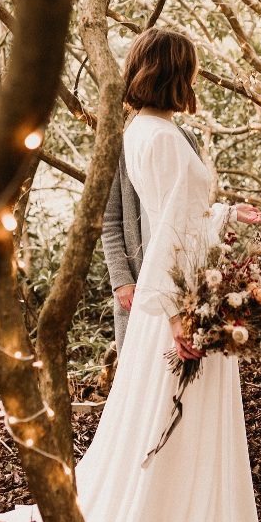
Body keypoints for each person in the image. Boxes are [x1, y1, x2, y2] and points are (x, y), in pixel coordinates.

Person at [0, 29, 261, 522]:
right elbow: (173, 232)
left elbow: (179, 221)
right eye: (192, 70)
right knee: (168, 421)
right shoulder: (162, 137)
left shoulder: (144, 132)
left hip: (175, 289)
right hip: (179, 295)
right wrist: (184, 310)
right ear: (176, 71)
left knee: (157, 418)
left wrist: (231, 220)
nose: (196, 80)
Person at [101, 117, 200, 357]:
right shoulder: (121, 145)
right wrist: (122, 279)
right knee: (140, 363)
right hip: (139, 279)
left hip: (183, 275)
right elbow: (109, 219)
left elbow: (195, 206)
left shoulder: (187, 139)